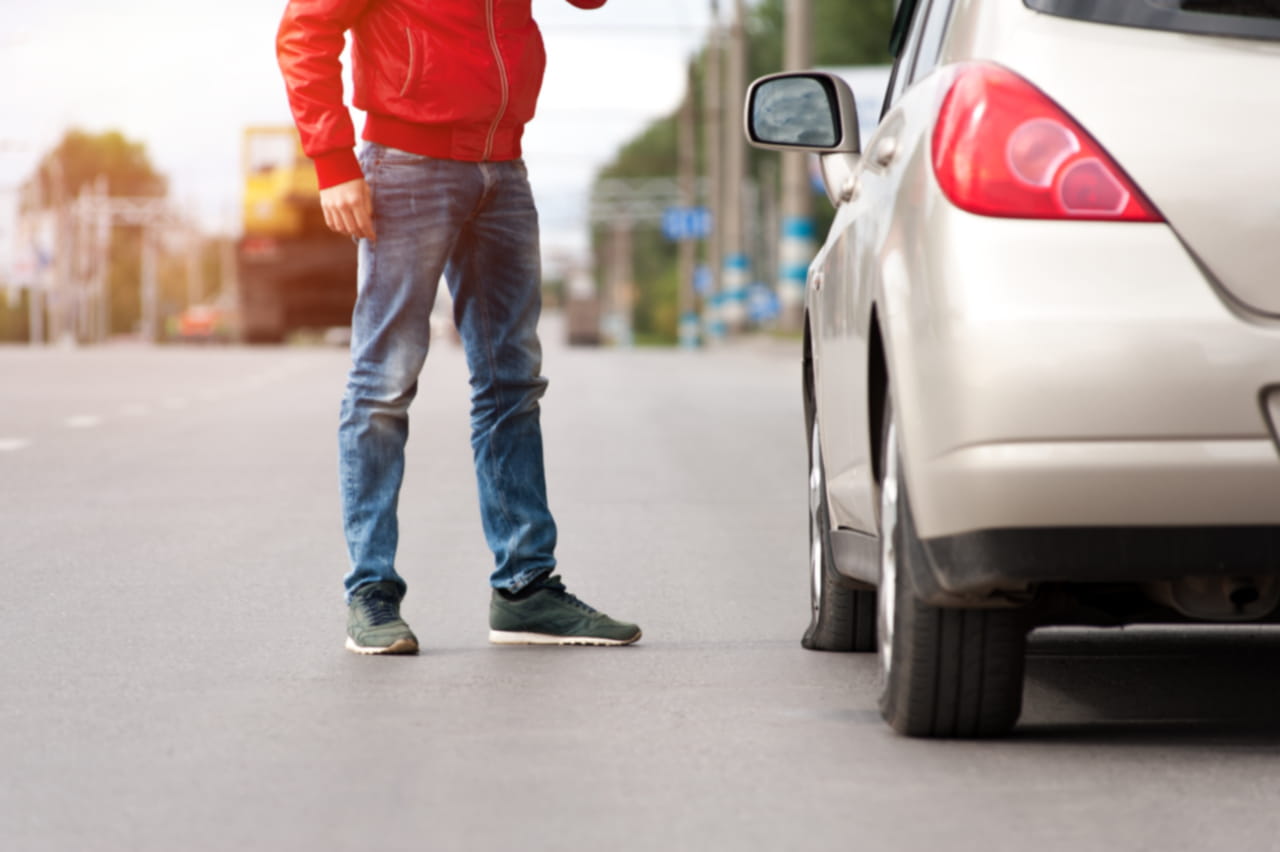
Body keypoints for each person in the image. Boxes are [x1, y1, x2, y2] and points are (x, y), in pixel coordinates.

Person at [277, 0, 641, 654]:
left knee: (512, 382)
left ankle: (525, 588)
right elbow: (305, 29)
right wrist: (333, 161)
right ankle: (371, 590)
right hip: (405, 163)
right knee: (384, 381)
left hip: (502, 168)